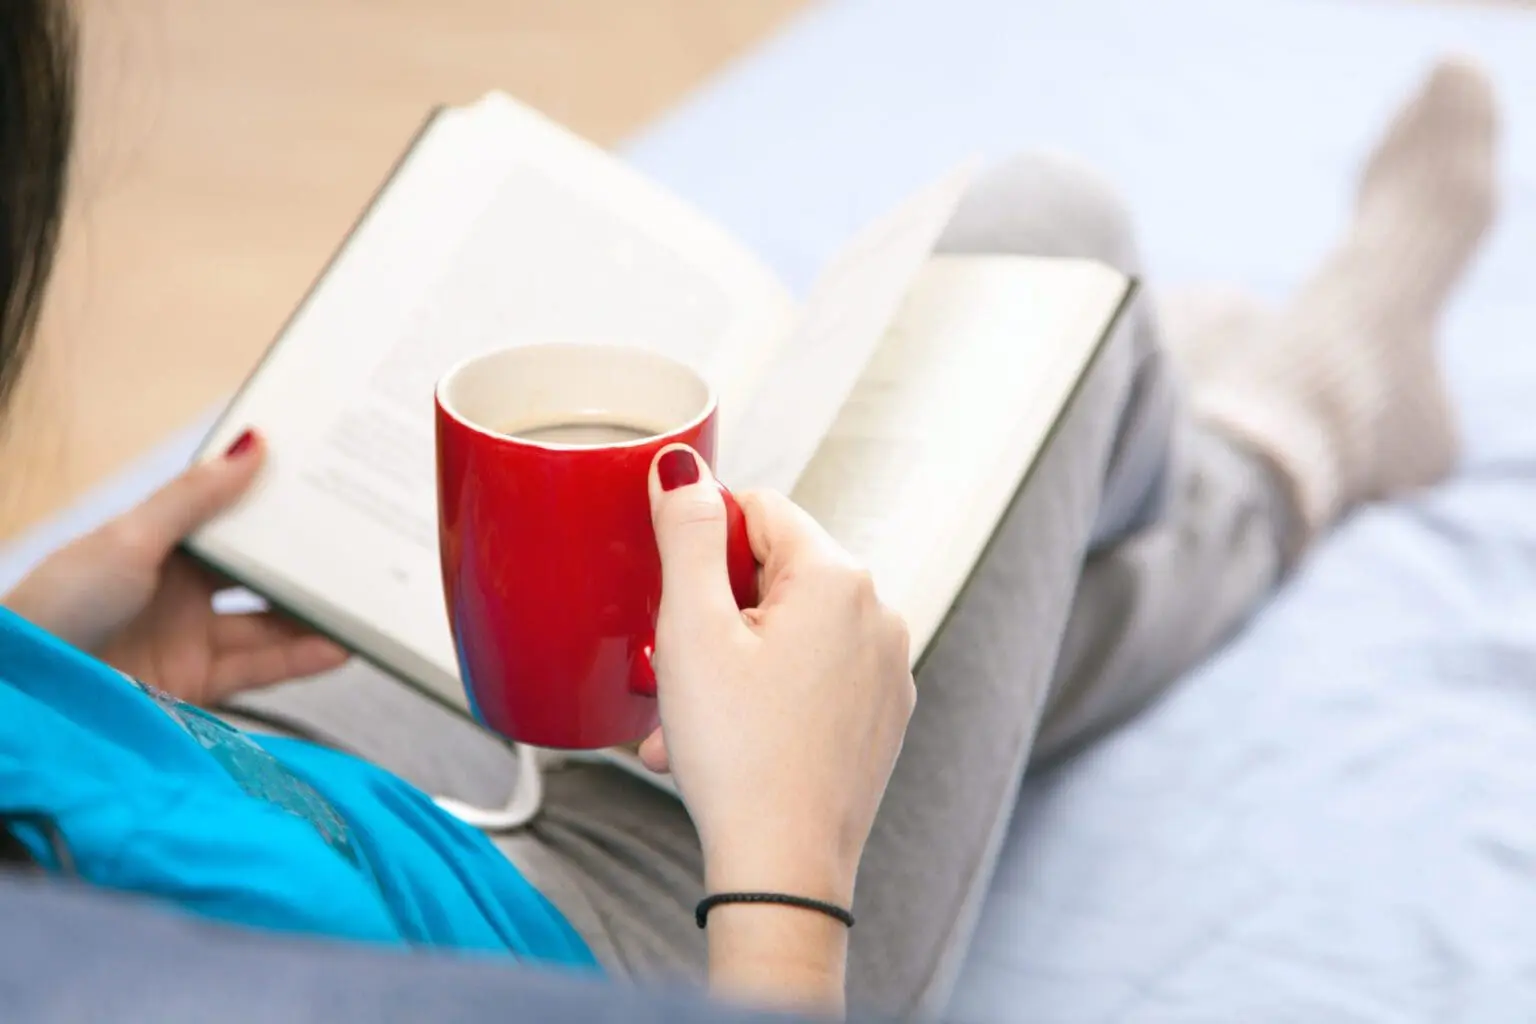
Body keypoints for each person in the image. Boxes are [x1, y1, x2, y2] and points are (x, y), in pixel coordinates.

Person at [0, 1, 1500, 1015]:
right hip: (605, 940)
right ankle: (1291, 434)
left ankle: (1214, 440)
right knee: (1044, 247)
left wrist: (39, 655)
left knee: (897, 607)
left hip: (255, 770)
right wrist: (788, 867)